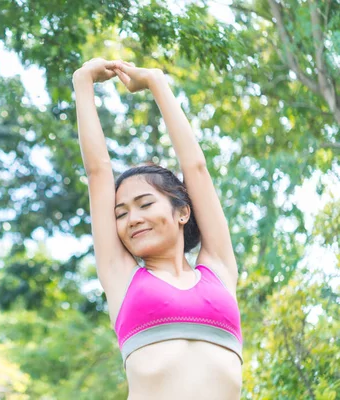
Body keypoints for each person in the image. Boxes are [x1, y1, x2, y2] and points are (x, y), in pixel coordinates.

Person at [72, 58, 243, 400]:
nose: (132, 218)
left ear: (182, 213)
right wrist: (83, 82)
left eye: (145, 204)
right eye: (120, 213)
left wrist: (155, 81)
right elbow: (97, 172)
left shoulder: (219, 271)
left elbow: (196, 168)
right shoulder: (123, 278)